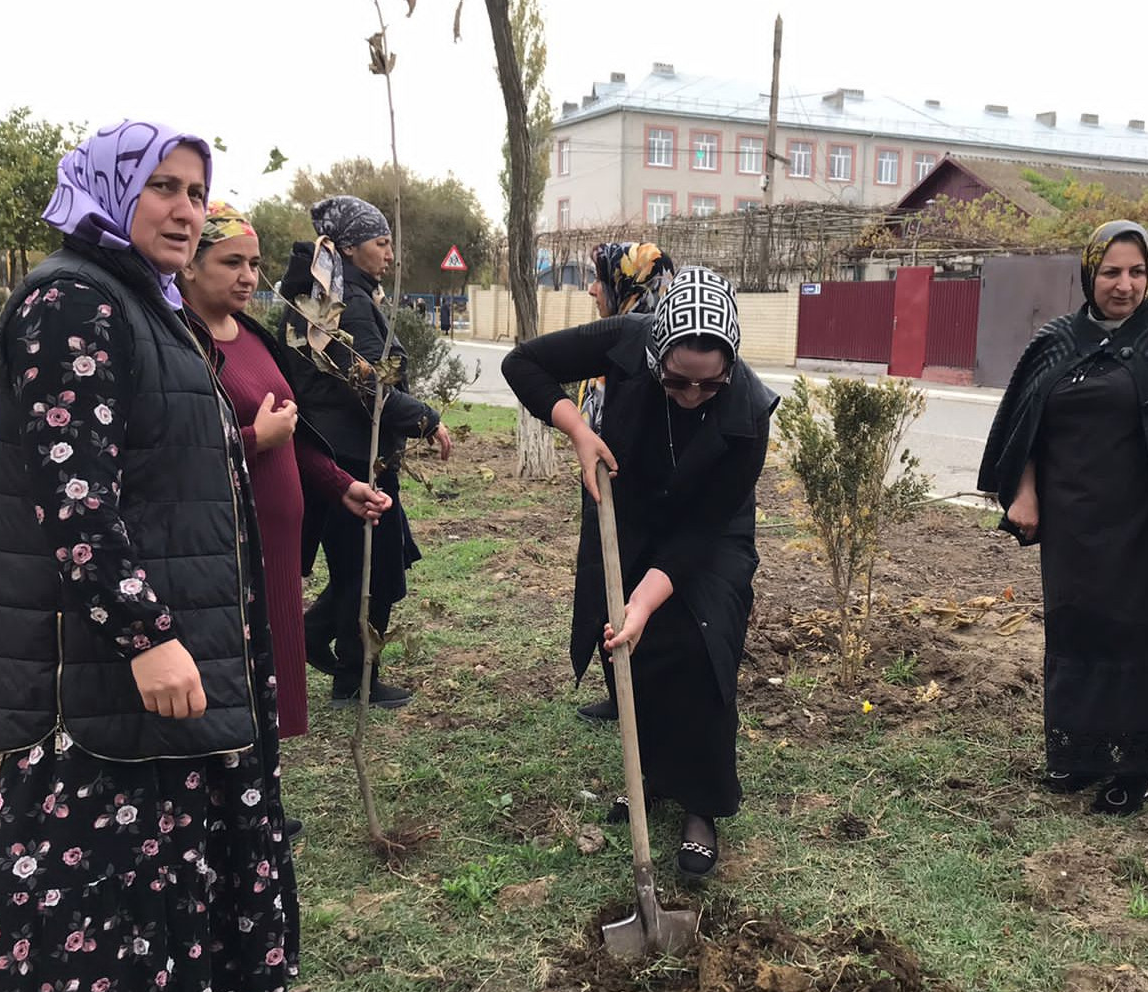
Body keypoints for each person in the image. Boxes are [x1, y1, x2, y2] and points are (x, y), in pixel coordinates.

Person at [0, 121, 298, 992]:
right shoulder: (71, 302)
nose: (185, 209)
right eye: (164, 188)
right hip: (109, 657)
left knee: (160, 862)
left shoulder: (142, 301)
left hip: (170, 639)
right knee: (90, 870)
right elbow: (74, 497)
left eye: (196, 191)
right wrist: (145, 634)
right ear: (109, 189)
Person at [502, 267, 777, 878]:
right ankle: (652, 776)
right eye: (677, 382)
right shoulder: (627, 338)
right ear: (655, 354)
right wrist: (577, 430)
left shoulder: (748, 413)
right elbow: (523, 364)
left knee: (703, 646)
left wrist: (648, 599)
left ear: (729, 367)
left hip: (712, 531)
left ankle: (701, 805)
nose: (691, 396)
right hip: (628, 509)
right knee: (632, 649)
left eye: (709, 386)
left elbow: (703, 530)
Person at [978, 220, 1148, 816]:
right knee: (1079, 632)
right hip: (1076, 525)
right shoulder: (1056, 339)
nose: (1124, 285)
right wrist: (1023, 492)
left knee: (1143, 636)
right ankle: (1083, 753)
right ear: (1088, 273)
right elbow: (1025, 426)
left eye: (1137, 272)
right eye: (1111, 272)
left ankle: (1138, 765)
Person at [177, 201, 392, 739]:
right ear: (188, 265)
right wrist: (254, 439)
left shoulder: (249, 336)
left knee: (268, 683)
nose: (249, 276)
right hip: (221, 550)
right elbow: (175, 453)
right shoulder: (179, 342)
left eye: (253, 262)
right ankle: (242, 809)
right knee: (227, 685)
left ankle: (264, 804)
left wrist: (341, 485)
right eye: (232, 263)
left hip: (274, 550)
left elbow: (289, 435)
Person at [277, 196, 452, 709]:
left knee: (376, 565)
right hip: (353, 460)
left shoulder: (334, 293)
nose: (391, 254)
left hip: (348, 453)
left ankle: (340, 662)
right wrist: (429, 420)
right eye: (382, 242)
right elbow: (370, 386)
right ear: (350, 246)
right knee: (372, 572)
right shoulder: (346, 302)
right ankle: (354, 678)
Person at [567, 241, 677, 724]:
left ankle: (640, 695)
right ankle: (621, 693)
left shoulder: (659, 350)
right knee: (604, 588)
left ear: (626, 285)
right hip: (606, 494)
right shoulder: (614, 340)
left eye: (600, 279)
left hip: (640, 505)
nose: (593, 289)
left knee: (633, 594)